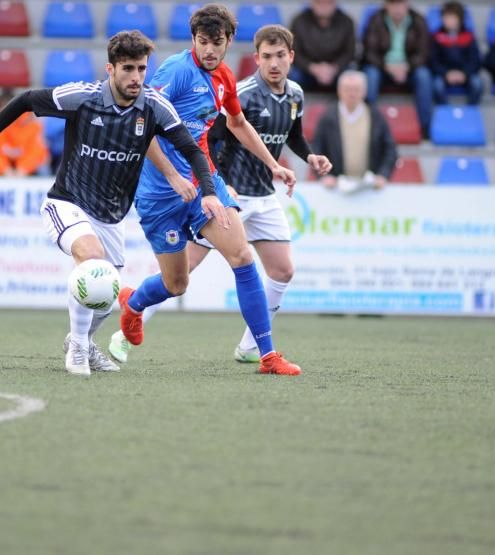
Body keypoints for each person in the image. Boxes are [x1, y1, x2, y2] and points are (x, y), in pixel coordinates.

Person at [0, 30, 226, 376]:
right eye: (128, 69)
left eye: (142, 69)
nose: (136, 78)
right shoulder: (83, 98)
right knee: (92, 262)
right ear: (110, 69)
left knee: (104, 296)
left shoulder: (154, 106)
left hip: (112, 216)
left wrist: (207, 189)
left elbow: (191, 148)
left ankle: (83, 342)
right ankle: (77, 352)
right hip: (67, 202)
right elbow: (26, 99)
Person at [108, 25, 331, 366]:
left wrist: (273, 164)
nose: (210, 50)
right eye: (203, 42)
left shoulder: (225, 77)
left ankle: (266, 354)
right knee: (178, 282)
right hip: (160, 193)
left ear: (228, 43)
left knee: (243, 258)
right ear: (193, 40)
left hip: (205, 185)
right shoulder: (177, 72)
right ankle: (134, 304)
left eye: (217, 43)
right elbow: (143, 124)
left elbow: (239, 125)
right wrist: (171, 175)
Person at [361, 0, 433, 139]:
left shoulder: (419, 21)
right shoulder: (376, 20)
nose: (398, 9)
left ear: (407, 5)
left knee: (424, 76)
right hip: (382, 68)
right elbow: (369, 52)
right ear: (386, 5)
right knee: (370, 76)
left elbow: (424, 52)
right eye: (393, 5)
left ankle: (425, 127)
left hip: (409, 69)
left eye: (401, 4)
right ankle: (368, 126)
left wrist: (407, 66)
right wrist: (386, 66)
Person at [311, 71, 399, 192]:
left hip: (369, 188)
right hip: (336, 189)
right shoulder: (328, 117)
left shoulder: (376, 116)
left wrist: (383, 175)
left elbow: (390, 149)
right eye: (347, 89)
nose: (351, 93)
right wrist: (324, 175)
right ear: (339, 90)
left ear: (364, 91)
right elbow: (316, 149)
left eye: (356, 89)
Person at [288, 0, 356, 92]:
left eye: (329, 1)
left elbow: (349, 52)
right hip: (307, 71)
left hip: (336, 70)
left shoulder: (346, 22)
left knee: (353, 77)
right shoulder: (299, 21)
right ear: (312, 2)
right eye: (319, 0)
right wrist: (313, 68)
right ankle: (294, 108)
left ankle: (347, 108)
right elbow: (293, 52)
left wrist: (334, 68)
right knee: (292, 76)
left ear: (335, 3)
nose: (324, 5)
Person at [0, 88, 50, 176]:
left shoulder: (31, 124)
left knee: (43, 170)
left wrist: (23, 168)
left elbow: (37, 151)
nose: (6, 115)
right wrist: (4, 169)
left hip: (24, 169)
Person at [429, 0, 483, 106]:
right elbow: (432, 61)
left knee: (477, 84)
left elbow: (475, 61)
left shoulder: (469, 36)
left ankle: (469, 113)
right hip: (444, 75)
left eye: (452, 17)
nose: (449, 21)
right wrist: (446, 74)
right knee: (437, 85)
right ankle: (445, 113)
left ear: (460, 19)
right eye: (446, 17)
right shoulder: (436, 37)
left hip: (465, 74)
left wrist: (464, 74)